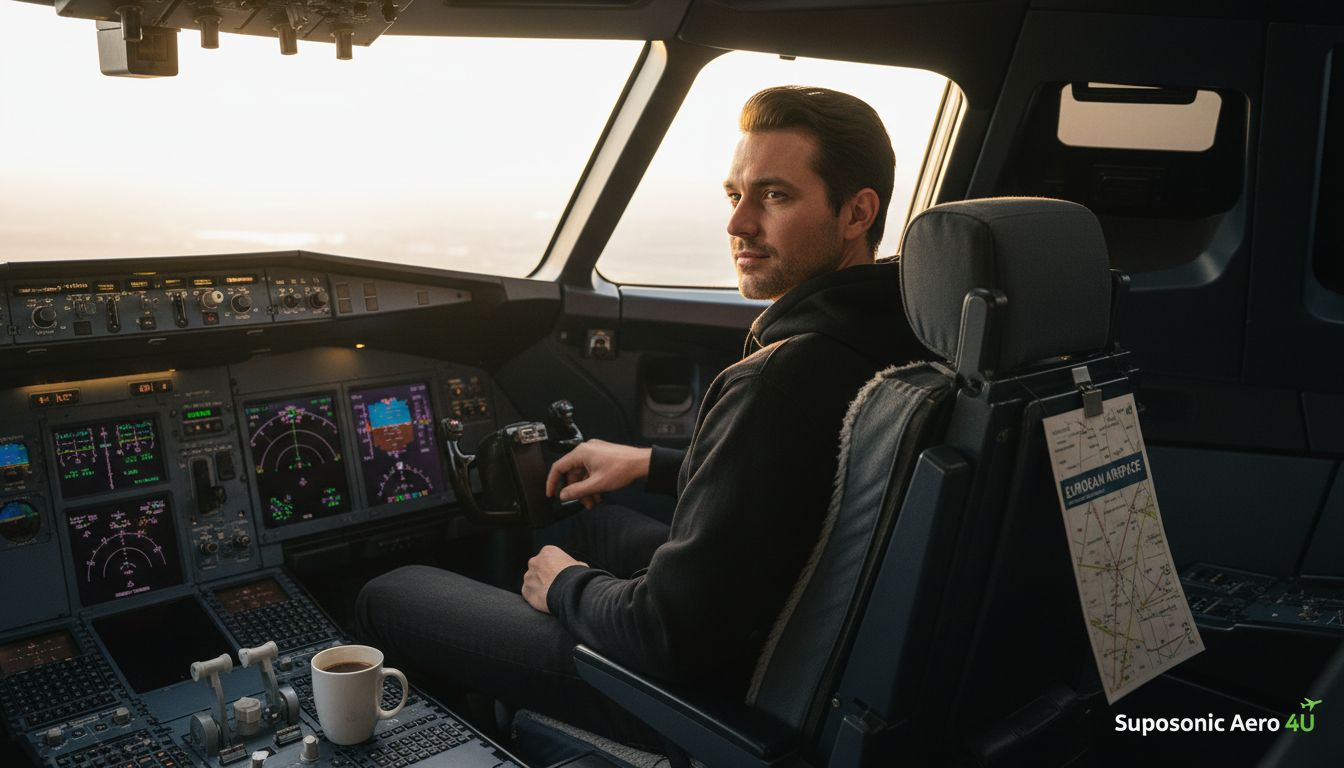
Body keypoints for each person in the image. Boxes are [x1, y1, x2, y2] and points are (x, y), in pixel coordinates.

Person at [354, 85, 928, 748]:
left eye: (774, 196)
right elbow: (805, 485)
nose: (738, 224)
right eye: (733, 194)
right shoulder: (900, 331)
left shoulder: (782, 375)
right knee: (589, 524)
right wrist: (648, 464)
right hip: (795, 620)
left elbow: (666, 638)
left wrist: (565, 589)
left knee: (393, 592)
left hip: (708, 695)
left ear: (857, 212)